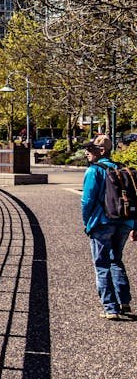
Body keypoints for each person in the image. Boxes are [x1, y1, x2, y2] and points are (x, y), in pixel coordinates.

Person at [81, 135, 136, 319]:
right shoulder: (122, 169)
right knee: (116, 260)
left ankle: (110, 308)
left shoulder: (94, 171)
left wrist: (87, 222)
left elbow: (87, 201)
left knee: (102, 264)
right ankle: (124, 302)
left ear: (101, 150)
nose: (86, 153)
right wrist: (134, 224)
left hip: (102, 222)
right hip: (124, 221)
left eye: (90, 149)